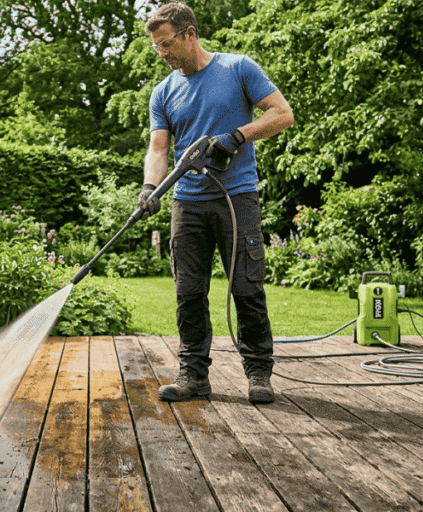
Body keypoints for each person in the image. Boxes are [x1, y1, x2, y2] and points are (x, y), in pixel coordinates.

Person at [139, 1, 294, 404]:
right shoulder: (163, 92)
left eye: (166, 43)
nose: (162, 53)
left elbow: (282, 114)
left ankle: (258, 373)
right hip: (187, 203)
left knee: (246, 287)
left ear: (189, 35)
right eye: (157, 47)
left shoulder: (237, 68)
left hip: (236, 198)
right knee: (188, 292)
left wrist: (238, 136)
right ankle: (193, 376)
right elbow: (159, 148)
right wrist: (150, 187)